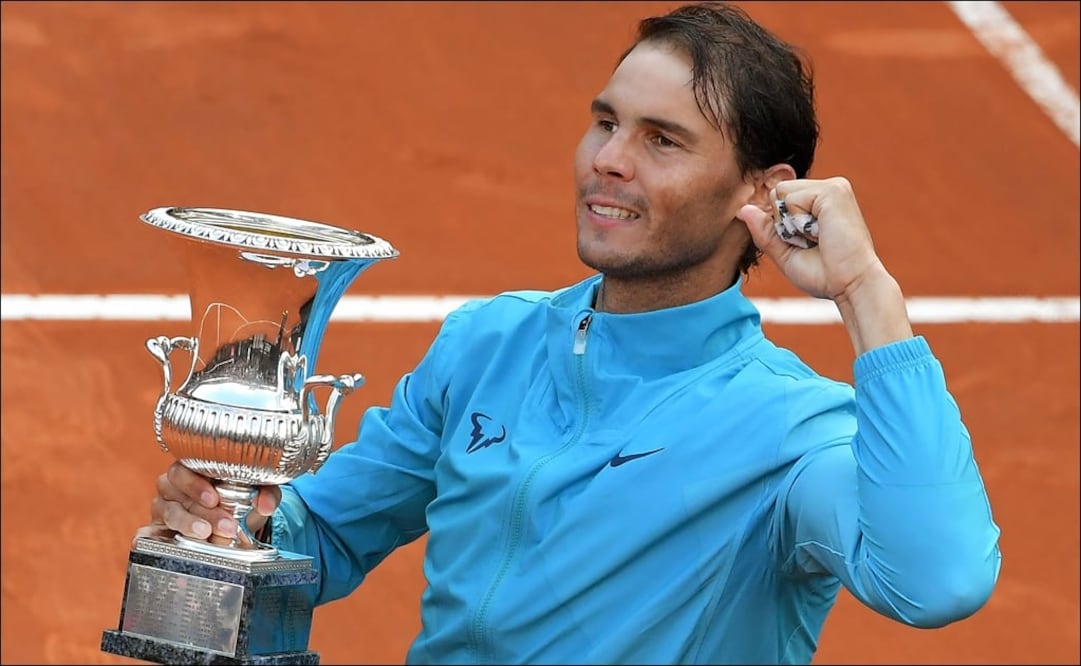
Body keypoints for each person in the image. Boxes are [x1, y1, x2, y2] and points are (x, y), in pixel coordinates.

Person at [136, 2, 1002, 663]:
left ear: (762, 195)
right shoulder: (488, 344)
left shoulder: (787, 435)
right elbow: (320, 541)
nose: (608, 159)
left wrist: (865, 291)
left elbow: (937, 580)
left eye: (662, 140)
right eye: (605, 121)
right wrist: (226, 524)